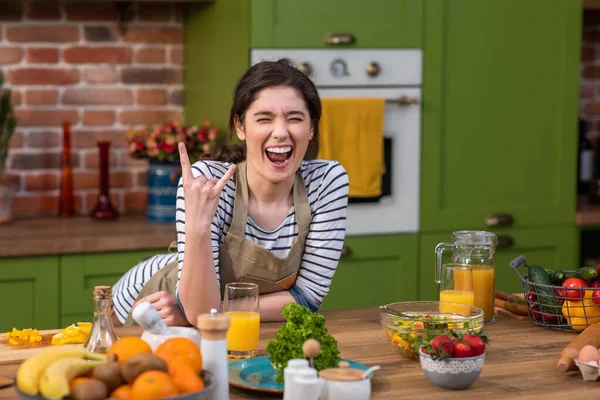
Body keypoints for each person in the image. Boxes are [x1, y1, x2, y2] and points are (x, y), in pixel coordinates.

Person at [111, 59, 349, 327]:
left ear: (312, 127)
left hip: (198, 316)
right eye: (264, 118)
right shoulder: (208, 183)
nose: (281, 132)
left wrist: (204, 311)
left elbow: (306, 298)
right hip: (147, 306)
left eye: (295, 119)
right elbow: (201, 311)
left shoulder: (326, 182)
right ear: (241, 127)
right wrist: (198, 227)